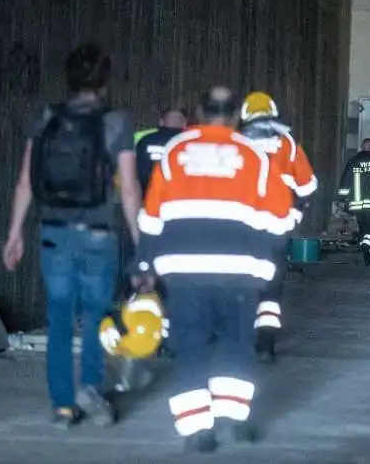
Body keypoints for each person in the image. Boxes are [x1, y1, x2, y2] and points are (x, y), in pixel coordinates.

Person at [133, 86, 299, 454]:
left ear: (199, 112)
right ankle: (234, 420)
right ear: (236, 116)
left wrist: (143, 262)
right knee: (236, 343)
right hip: (238, 271)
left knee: (190, 344)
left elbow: (152, 214)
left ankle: (196, 430)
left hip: (184, 270)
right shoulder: (254, 156)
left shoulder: (176, 151)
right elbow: (280, 216)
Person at [2, 43, 142, 427]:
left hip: (53, 232)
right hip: (98, 234)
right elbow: (128, 189)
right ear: (104, 81)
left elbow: (25, 181)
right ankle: (92, 387)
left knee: (59, 317)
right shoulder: (116, 122)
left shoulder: (46, 117)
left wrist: (15, 233)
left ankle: (63, 406)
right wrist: (141, 242)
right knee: (96, 315)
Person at [238, 91, 317, 363]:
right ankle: (266, 342)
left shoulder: (236, 144)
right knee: (271, 288)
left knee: (242, 281)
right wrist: (296, 212)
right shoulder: (288, 145)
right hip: (275, 228)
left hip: (241, 227)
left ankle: (236, 336)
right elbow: (308, 186)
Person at [337, 138, 370, 266]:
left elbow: (345, 182)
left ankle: (365, 245)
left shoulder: (353, 162)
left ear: (362, 147)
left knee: (363, 227)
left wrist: (342, 199)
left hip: (357, 204)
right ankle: (367, 246)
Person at [135, 108, 188, 195]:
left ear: (161, 122)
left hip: (149, 195)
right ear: (185, 123)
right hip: (182, 197)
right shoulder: (192, 142)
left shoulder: (145, 140)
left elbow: (137, 171)